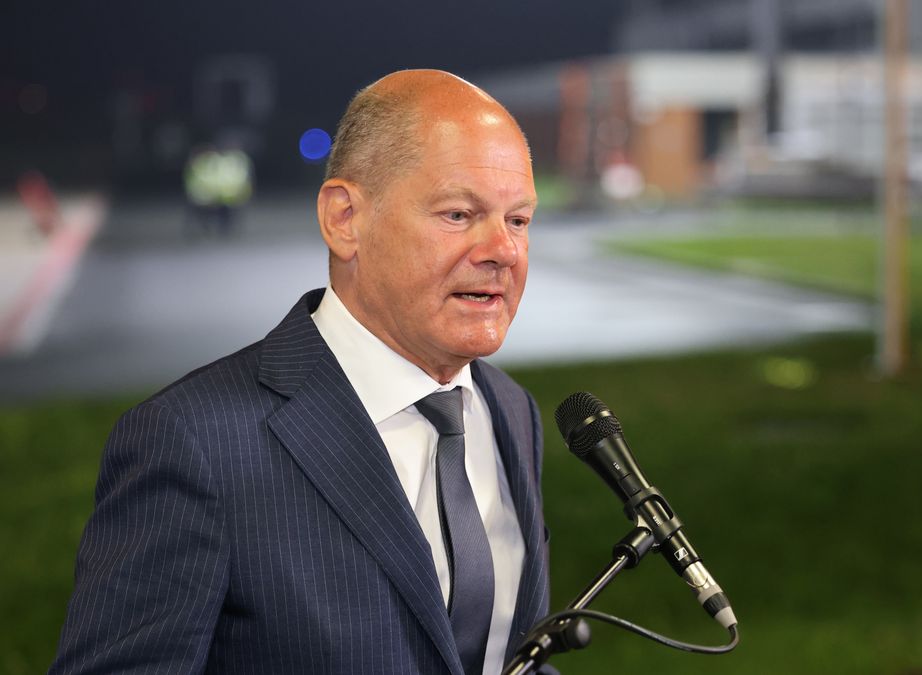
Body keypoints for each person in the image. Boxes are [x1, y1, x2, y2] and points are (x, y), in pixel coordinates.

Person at [51, 70, 549, 675]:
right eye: (458, 214)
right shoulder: (193, 444)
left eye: (518, 220)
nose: (503, 250)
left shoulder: (510, 410)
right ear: (345, 218)